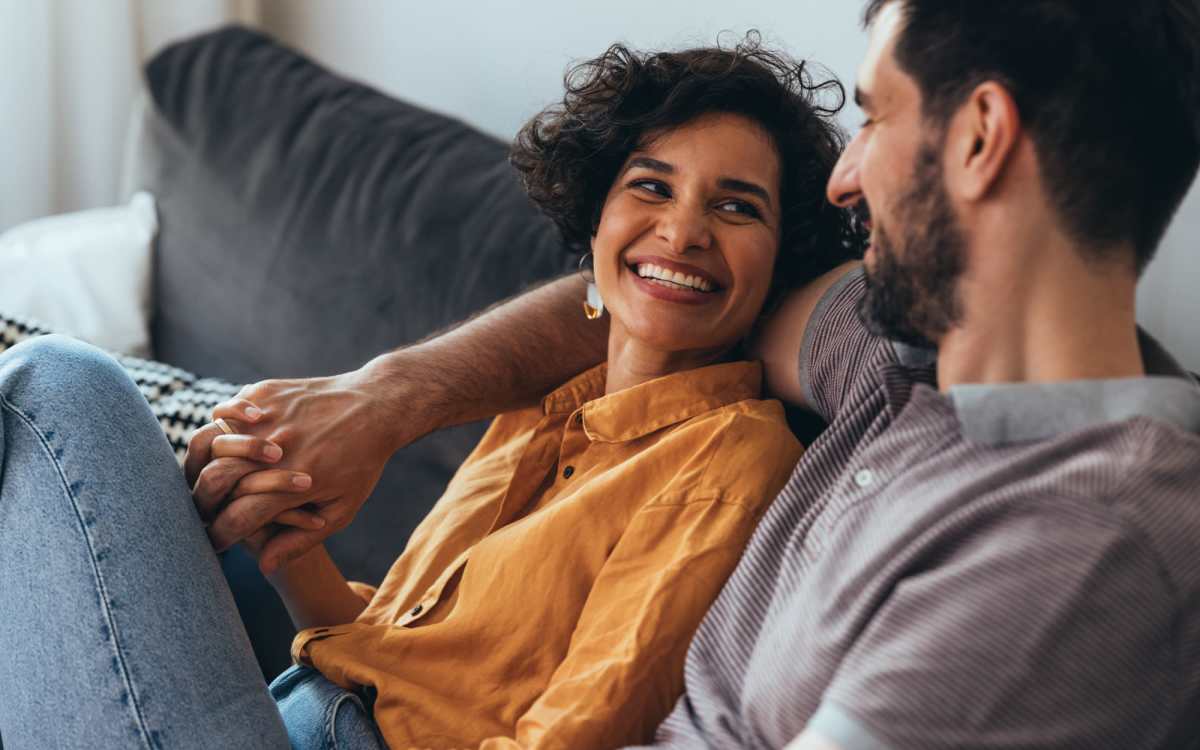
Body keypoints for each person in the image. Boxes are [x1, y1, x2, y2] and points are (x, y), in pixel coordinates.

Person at [196, 1, 1200, 748]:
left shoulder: (1074, 544)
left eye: (879, 117)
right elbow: (667, 298)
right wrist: (384, 401)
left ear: (980, 137)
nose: (846, 182)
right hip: (327, 693)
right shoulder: (891, 361)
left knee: (63, 402)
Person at [0, 39, 862, 749]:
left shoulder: (735, 458)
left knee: (60, 388)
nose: (683, 229)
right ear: (596, 219)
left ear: (781, 263)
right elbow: (404, 655)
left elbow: (578, 731)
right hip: (294, 704)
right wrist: (286, 537)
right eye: (651, 185)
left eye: (738, 207)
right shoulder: (544, 404)